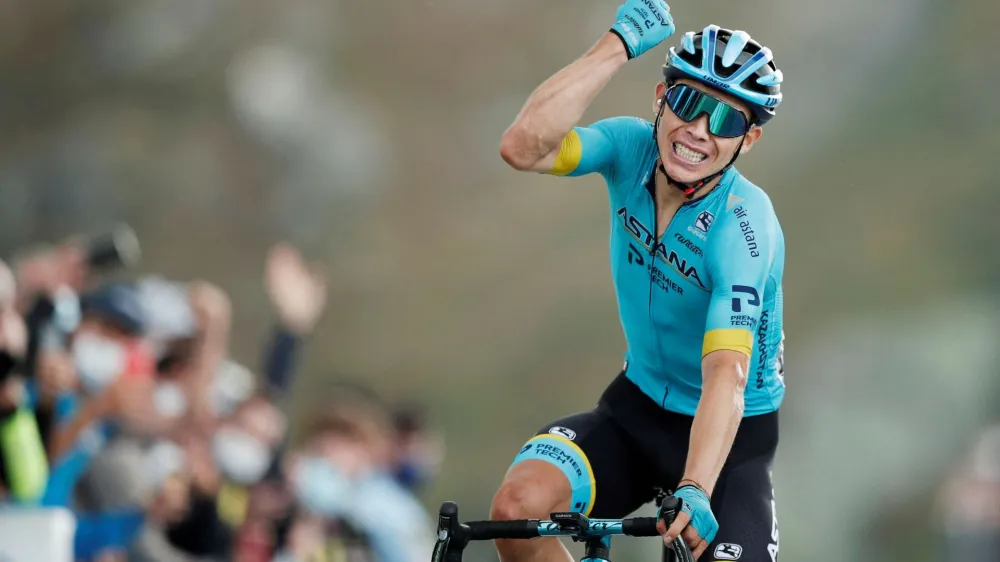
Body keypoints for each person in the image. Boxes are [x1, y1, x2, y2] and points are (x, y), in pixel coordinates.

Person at [493, 1, 786, 560]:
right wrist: (615, 45)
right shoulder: (630, 148)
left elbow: (727, 370)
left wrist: (695, 485)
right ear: (660, 98)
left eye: (725, 120)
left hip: (727, 442)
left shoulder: (744, 225)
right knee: (515, 511)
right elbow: (522, 147)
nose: (698, 131)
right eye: (688, 103)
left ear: (747, 140)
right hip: (636, 410)